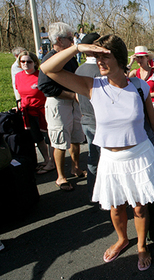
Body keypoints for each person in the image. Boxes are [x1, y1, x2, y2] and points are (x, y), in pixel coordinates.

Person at [40, 34, 154, 271]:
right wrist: (77, 48)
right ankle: (123, 239)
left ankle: (142, 245)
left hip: (139, 155)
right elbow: (48, 69)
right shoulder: (92, 85)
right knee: (115, 207)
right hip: (110, 159)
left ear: (121, 59)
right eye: (96, 56)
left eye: (105, 56)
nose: (99, 62)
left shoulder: (139, 86)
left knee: (139, 206)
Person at [38, 22, 85, 191]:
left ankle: (75, 167)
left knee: (76, 137)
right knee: (60, 141)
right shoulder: (49, 59)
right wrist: (72, 95)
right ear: (58, 40)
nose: (72, 41)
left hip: (73, 103)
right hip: (58, 104)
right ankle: (61, 177)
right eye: (69, 38)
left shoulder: (69, 58)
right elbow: (45, 87)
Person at [15, 51, 55, 174]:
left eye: (29, 61)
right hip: (28, 112)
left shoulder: (40, 75)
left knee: (48, 138)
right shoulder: (18, 76)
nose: (26, 64)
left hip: (43, 111)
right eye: (23, 61)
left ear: (35, 63)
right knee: (37, 138)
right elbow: (18, 91)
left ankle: (52, 162)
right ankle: (46, 159)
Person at [74, 32, 102, 196]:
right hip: (97, 120)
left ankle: (92, 190)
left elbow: (78, 97)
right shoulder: (98, 70)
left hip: (85, 117)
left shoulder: (79, 69)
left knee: (93, 156)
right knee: (102, 157)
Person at [129, 46, 154, 127]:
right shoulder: (134, 73)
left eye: (141, 57)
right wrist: (130, 63)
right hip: (140, 107)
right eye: (137, 58)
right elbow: (122, 83)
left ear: (147, 58)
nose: (139, 60)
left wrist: (149, 95)